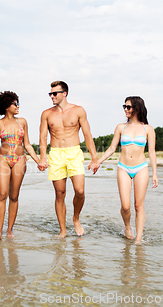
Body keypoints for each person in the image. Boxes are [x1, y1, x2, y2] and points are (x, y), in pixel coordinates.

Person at [39, 80, 99, 238]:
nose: (52, 96)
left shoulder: (78, 110)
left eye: (54, 93)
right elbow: (43, 137)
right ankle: (63, 230)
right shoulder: (46, 113)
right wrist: (43, 158)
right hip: (56, 154)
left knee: (79, 191)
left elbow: (87, 135)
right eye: (50, 93)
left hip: (74, 153)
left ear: (64, 93)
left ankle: (76, 218)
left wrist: (94, 158)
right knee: (60, 193)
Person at [96, 96, 158, 244]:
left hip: (141, 168)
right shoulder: (120, 127)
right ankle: (127, 226)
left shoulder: (148, 129)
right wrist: (98, 162)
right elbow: (112, 148)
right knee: (125, 206)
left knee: (138, 205)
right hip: (123, 167)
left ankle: (138, 238)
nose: (125, 109)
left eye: (128, 107)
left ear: (137, 108)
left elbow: (152, 152)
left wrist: (155, 173)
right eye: (124, 106)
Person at [0, 91, 41, 239]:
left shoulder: (22, 122)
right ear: (5, 105)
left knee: (14, 197)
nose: (18, 106)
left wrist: (38, 160)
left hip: (19, 159)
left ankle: (10, 231)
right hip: (3, 158)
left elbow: (27, 144)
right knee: (2, 195)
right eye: (15, 103)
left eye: (18, 103)